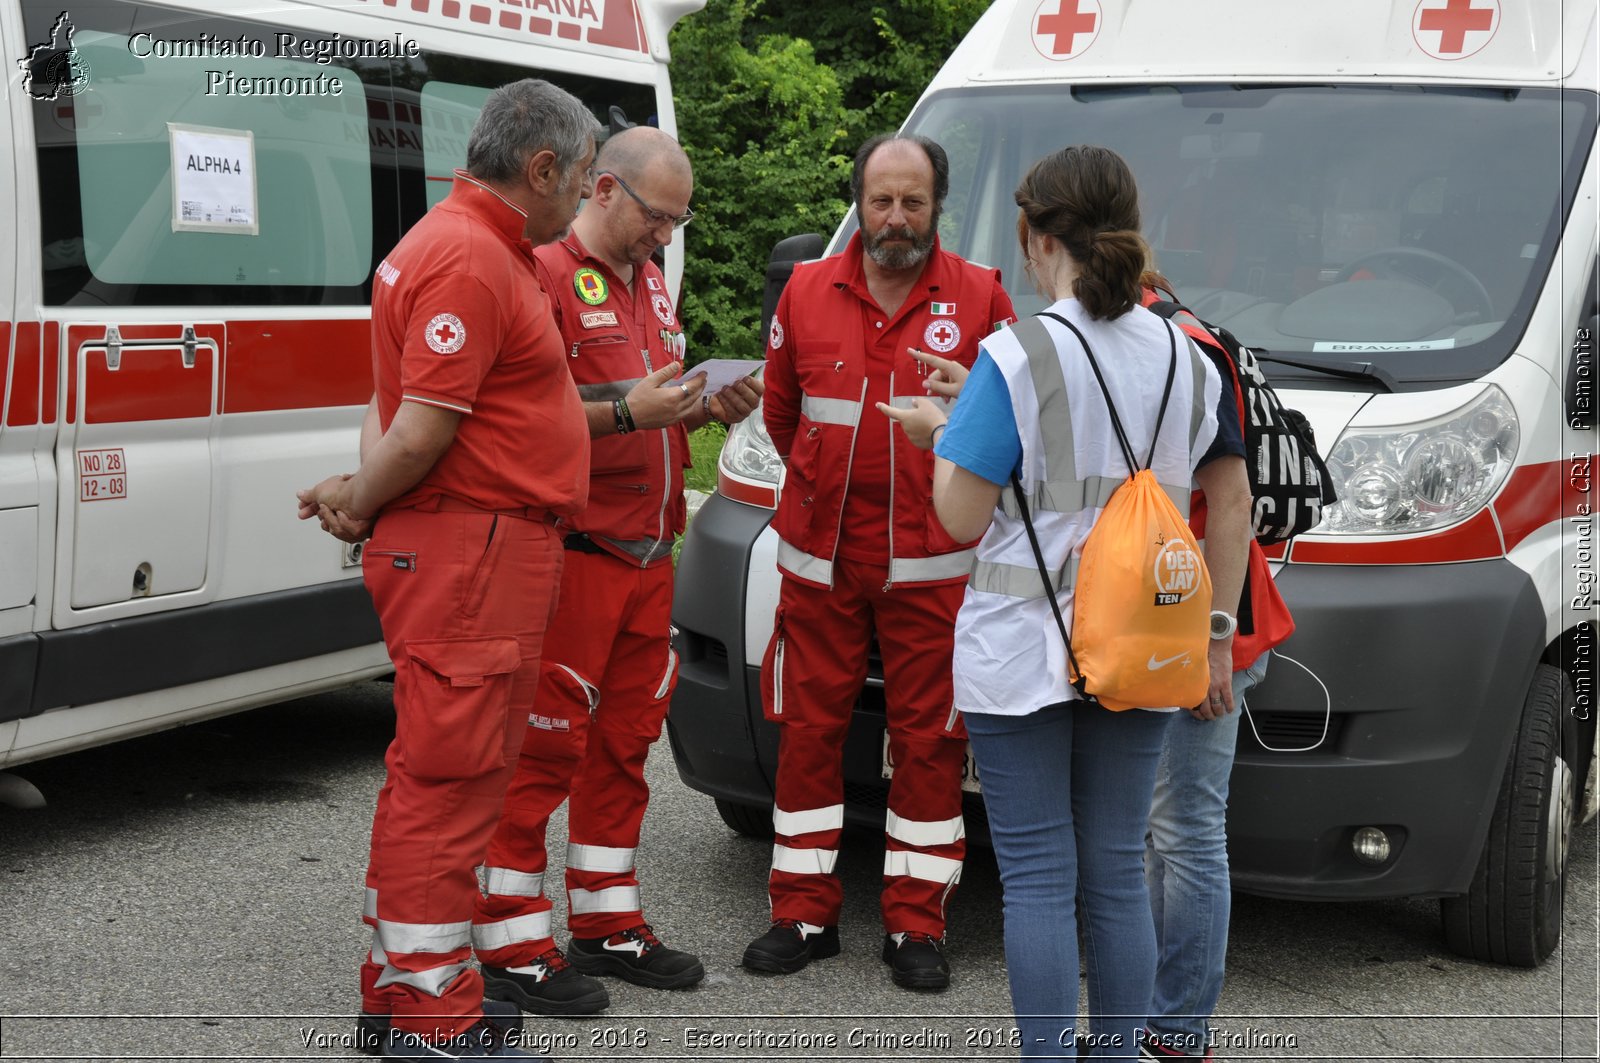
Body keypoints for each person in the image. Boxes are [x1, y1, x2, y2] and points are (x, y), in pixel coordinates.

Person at [880, 145, 1251, 1060]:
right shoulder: (1194, 354)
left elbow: (960, 516)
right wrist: (1216, 641)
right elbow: (1231, 503)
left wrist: (940, 435)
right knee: (1120, 872)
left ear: (1034, 239)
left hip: (1022, 650)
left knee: (1042, 878)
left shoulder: (1016, 352)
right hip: (1143, 645)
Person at [296, 79, 599, 1062]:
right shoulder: (473, 257)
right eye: (586, 178)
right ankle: (436, 1015)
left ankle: (399, 991)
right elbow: (421, 427)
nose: (586, 198)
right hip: (475, 548)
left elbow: (394, 408)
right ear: (542, 167)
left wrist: (360, 490)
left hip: (471, 545)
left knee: (427, 774)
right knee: (454, 780)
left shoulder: (455, 244)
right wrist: (361, 494)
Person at [469, 127, 763, 1012]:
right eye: (657, 217)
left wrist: (703, 406)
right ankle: (509, 936)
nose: (666, 237)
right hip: (576, 554)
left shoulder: (648, 284)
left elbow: (643, 402)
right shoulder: (543, 275)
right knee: (541, 751)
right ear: (603, 188)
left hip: (648, 555)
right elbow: (526, 412)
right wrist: (630, 415)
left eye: (676, 222)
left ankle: (604, 922)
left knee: (623, 747)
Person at [742, 132, 1017, 992]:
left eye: (914, 202)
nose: (895, 218)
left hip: (934, 567)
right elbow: (784, 416)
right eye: (881, 200)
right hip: (822, 560)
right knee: (809, 734)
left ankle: (915, 923)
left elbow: (1007, 427)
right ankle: (802, 911)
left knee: (930, 742)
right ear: (857, 201)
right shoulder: (806, 289)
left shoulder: (982, 298)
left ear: (940, 207)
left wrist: (967, 386)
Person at [1139, 278, 1296, 1063]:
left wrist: (1213, 645)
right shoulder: (1151, 333)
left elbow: (1228, 506)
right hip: (1168, 618)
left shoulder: (1179, 347)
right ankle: (1154, 1018)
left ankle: (1176, 1032)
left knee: (1185, 830)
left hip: (1200, 622)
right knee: (1158, 831)